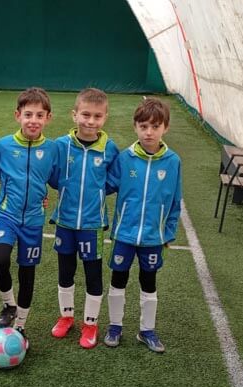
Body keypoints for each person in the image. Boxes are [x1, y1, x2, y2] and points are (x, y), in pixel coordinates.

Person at [104, 97, 182, 353]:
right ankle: (115, 326)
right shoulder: (125, 158)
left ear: (165, 128)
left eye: (155, 127)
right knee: (118, 279)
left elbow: (175, 200)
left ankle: (147, 330)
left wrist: (168, 232)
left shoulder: (172, 162)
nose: (149, 132)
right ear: (135, 127)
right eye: (143, 126)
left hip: (153, 237)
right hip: (124, 234)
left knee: (148, 281)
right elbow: (106, 186)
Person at [49, 88, 119, 349]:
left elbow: (113, 180)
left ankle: (90, 323)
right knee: (65, 271)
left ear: (105, 118)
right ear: (74, 115)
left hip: (92, 224)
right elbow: (52, 176)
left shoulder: (109, 149)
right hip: (65, 221)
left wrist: (97, 192)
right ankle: (66, 316)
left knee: (93, 274)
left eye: (97, 116)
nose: (91, 121)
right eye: (86, 115)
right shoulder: (61, 145)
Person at [0, 87, 59, 348]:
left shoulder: (52, 149)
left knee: (27, 273)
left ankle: (20, 325)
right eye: (28, 114)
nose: (33, 120)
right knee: (0, 259)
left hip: (33, 220)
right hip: (7, 215)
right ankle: (9, 304)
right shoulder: (4, 145)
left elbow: (54, 179)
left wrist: (42, 194)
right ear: (17, 115)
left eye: (39, 115)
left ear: (48, 118)